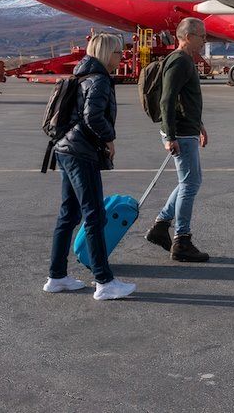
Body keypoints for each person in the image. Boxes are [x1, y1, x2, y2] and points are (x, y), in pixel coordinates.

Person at [45, 33, 137, 301]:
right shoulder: (98, 81)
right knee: (94, 214)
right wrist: (109, 138)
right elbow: (92, 117)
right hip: (80, 152)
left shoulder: (81, 75)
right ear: (108, 54)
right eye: (119, 53)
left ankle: (57, 276)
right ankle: (104, 281)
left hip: (65, 148)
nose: (122, 57)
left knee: (69, 214)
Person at [145, 17, 211, 262]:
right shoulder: (180, 61)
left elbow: (184, 100)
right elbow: (167, 99)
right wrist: (169, 135)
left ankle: (161, 227)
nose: (205, 40)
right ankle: (181, 241)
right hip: (180, 133)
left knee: (190, 181)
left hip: (187, 130)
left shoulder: (186, 61)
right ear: (188, 36)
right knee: (190, 184)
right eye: (202, 36)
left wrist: (199, 125)